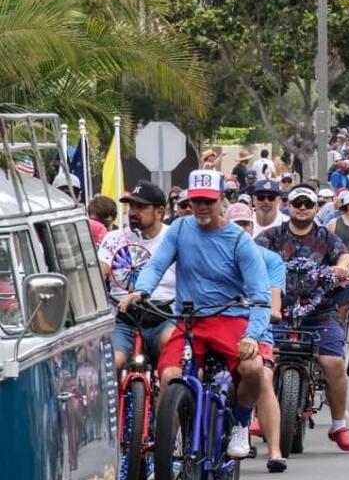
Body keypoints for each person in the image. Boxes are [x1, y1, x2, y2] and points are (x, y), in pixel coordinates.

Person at [121, 170, 270, 460]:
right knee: (169, 375)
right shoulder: (179, 229)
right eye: (196, 200)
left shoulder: (240, 241)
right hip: (189, 321)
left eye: (208, 201)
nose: (202, 207)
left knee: (253, 370)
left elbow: (261, 297)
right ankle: (168, 448)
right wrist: (141, 292)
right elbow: (156, 265)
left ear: (222, 201)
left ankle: (240, 422)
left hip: (231, 319)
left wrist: (252, 335)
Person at [256, 186, 349, 452]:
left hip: (320, 313)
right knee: (261, 362)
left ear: (316, 208)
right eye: (297, 202)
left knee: (333, 362)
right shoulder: (271, 236)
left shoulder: (326, 237)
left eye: (307, 203)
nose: (302, 207)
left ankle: (338, 425)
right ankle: (258, 417)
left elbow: (344, 256)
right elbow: (252, 256)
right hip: (276, 313)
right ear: (288, 205)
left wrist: (342, 267)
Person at [227, 202, 288, 473]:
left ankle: (274, 450)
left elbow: (272, 299)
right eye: (235, 225)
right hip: (222, 326)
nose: (241, 230)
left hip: (257, 328)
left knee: (263, 376)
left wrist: (272, 311)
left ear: (253, 228)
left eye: (245, 225)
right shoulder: (216, 254)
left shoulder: (270, 259)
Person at [97, 182, 176, 373]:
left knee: (174, 361)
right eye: (131, 206)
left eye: (141, 207)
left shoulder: (174, 238)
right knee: (110, 366)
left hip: (164, 316)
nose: (133, 212)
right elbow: (99, 276)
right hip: (124, 318)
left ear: (159, 212)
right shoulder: (114, 238)